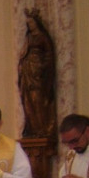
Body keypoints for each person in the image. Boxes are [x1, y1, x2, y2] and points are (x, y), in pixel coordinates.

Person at [17, 8, 57, 139]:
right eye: (28, 24)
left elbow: (49, 54)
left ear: (37, 23)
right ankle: (32, 128)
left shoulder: (42, 37)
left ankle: (42, 128)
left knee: (38, 100)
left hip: (37, 73)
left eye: (32, 23)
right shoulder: (28, 38)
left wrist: (42, 67)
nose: (30, 26)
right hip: (27, 73)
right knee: (28, 101)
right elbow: (23, 54)